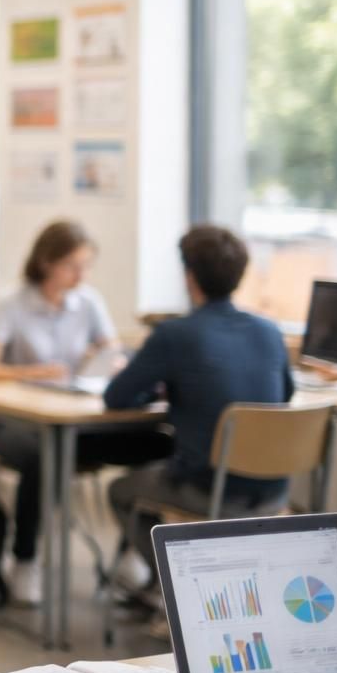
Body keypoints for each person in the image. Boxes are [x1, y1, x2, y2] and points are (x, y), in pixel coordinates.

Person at [0, 220, 171, 605]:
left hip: (77, 420)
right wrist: (31, 372)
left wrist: (105, 361)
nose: (82, 274)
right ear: (47, 262)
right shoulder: (11, 302)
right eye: (73, 266)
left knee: (157, 444)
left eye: (87, 265)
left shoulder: (88, 300)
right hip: (15, 421)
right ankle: (24, 559)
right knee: (42, 458)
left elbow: (114, 353)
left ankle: (134, 550)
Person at [105, 226, 294, 584]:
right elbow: (284, 396)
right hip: (275, 489)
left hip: (212, 489)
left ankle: (171, 591)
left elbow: (116, 397)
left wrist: (162, 389)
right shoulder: (270, 331)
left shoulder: (175, 334)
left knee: (121, 491)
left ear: (189, 276)